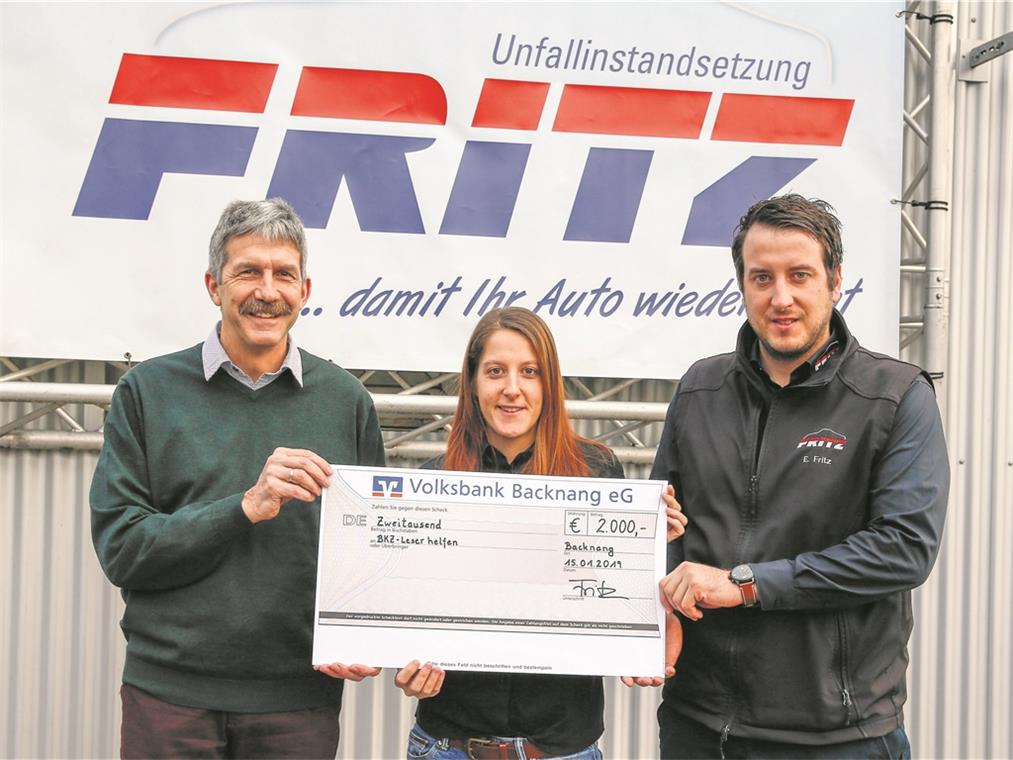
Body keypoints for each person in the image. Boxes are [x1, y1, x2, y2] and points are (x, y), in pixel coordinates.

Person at [651, 194, 949, 759]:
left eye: (800, 275)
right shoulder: (699, 391)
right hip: (700, 727)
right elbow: (661, 534)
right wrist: (649, 618)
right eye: (761, 277)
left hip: (837, 738)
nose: (780, 297)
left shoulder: (895, 396)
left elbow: (904, 549)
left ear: (835, 281)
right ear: (741, 284)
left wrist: (744, 584)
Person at [89, 198, 386, 759]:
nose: (267, 290)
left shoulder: (347, 402)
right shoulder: (147, 394)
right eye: (248, 271)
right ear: (213, 285)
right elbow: (122, 550)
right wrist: (243, 507)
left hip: (298, 703)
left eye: (284, 275)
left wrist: (364, 637)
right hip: (170, 699)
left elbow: (371, 556)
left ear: (305, 289)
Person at [394, 307, 687, 760]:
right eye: (495, 371)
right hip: (447, 746)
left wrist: (650, 550)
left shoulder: (597, 471)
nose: (512, 388)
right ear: (472, 383)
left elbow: (614, 591)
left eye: (529, 372)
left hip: (563, 750)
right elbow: (408, 607)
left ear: (549, 384)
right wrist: (405, 659)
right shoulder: (433, 484)